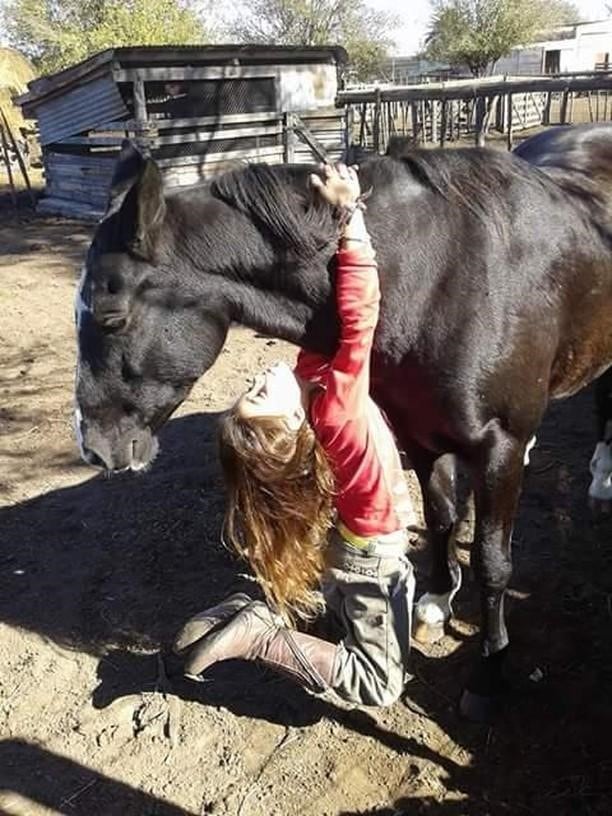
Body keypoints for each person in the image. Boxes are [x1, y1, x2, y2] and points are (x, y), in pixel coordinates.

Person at [170, 164, 416, 707]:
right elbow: (359, 320)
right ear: (292, 429)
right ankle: (259, 636)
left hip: (345, 543)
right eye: (258, 397)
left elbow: (325, 323)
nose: (255, 379)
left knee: (341, 616)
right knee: (379, 683)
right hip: (372, 553)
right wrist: (350, 216)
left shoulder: (312, 384)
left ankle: (254, 616)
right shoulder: (335, 410)